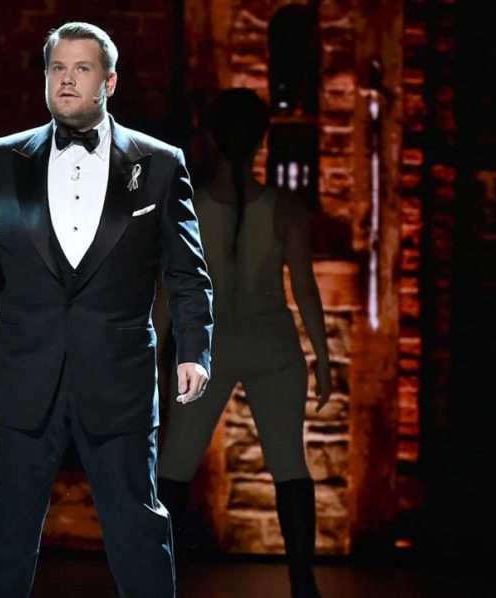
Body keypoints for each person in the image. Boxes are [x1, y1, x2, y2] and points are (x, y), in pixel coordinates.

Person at [0, 22, 213, 597]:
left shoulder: (159, 163)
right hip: (25, 368)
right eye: (57, 69)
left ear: (109, 82)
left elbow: (186, 270)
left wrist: (194, 350)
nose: (67, 81)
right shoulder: (2, 157)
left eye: (82, 69)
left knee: (138, 528)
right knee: (5, 527)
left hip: (118, 373)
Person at [157, 88, 331, 598]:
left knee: (173, 467)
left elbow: (168, 291)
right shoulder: (285, 207)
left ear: (212, 139)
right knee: (289, 465)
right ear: (261, 141)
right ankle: (303, 583)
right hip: (271, 345)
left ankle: (155, 578)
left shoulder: (186, 206)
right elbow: (304, 288)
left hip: (204, 350)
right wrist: (322, 357)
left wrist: (151, 357)